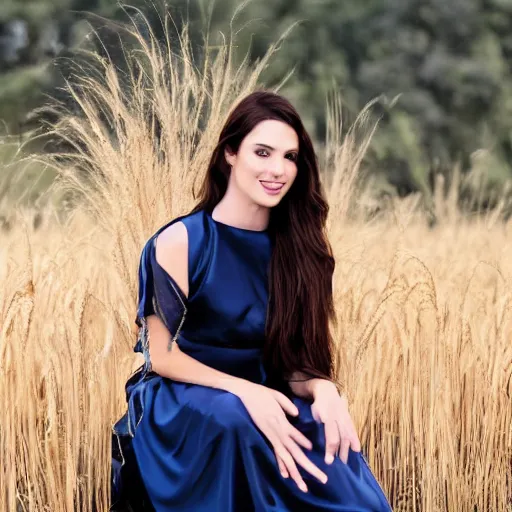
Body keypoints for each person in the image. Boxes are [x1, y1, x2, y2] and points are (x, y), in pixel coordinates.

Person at [111, 90, 392, 511]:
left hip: (268, 395)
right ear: (230, 152)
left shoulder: (301, 251)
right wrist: (244, 391)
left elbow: (295, 367)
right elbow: (161, 356)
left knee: (329, 443)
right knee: (234, 418)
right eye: (262, 152)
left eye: (290, 157)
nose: (277, 169)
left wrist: (325, 390)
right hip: (184, 398)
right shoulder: (181, 241)